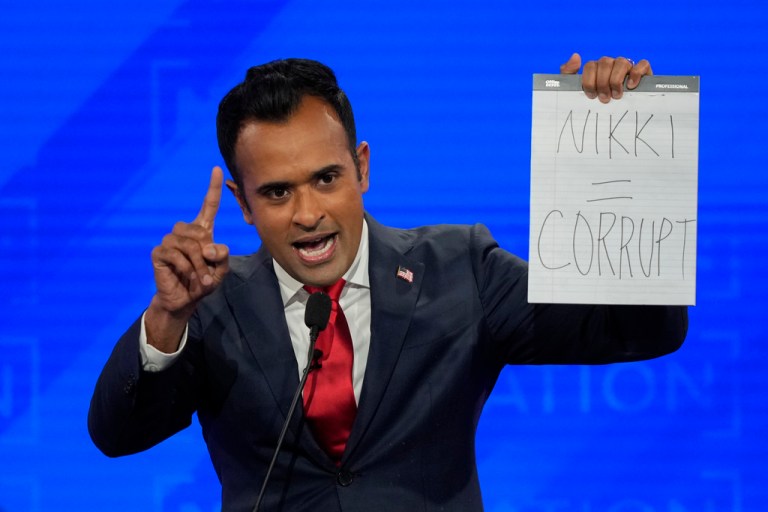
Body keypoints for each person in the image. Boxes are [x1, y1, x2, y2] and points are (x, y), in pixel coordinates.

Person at [88, 54, 687, 511]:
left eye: (326, 178)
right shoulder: (211, 304)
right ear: (244, 205)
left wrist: (617, 167)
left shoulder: (461, 269)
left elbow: (633, 331)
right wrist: (167, 319)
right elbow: (117, 436)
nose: (307, 213)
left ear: (363, 167)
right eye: (276, 192)